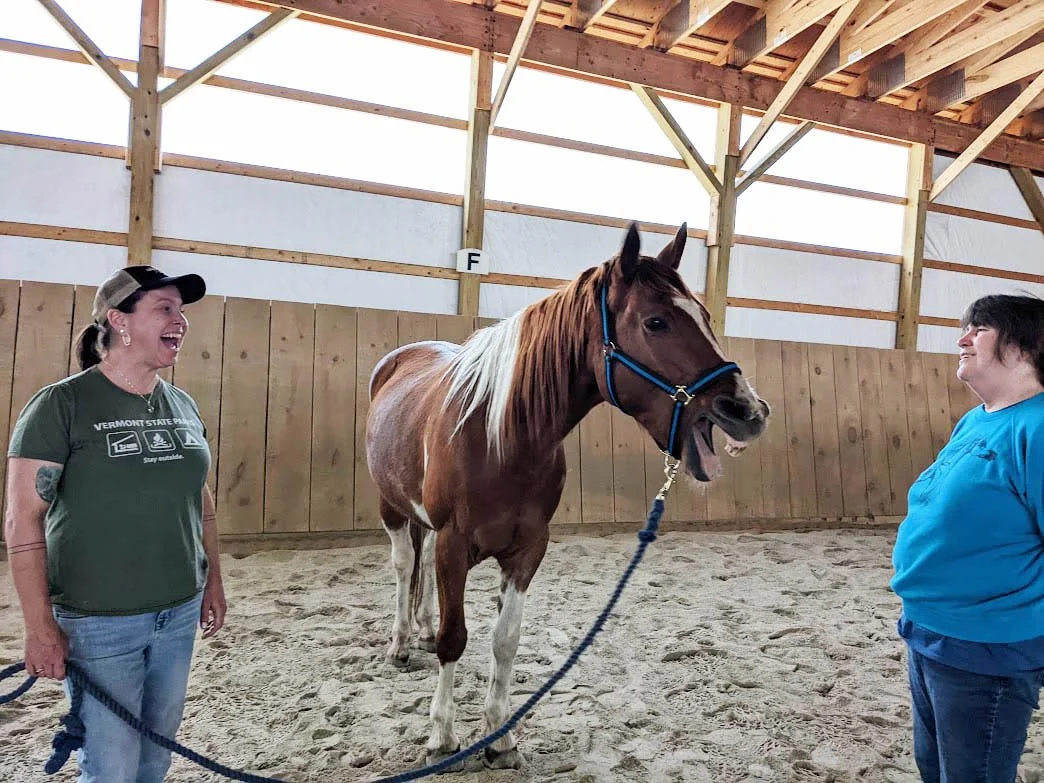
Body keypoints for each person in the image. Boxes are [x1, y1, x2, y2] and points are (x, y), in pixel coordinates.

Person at [4, 265, 227, 783]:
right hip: (98, 620)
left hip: (178, 611)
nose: (181, 321)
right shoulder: (60, 406)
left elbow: (202, 503)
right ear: (119, 321)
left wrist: (213, 578)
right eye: (164, 309)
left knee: (156, 753)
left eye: (182, 310)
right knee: (111, 763)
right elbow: (22, 521)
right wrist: (39, 627)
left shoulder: (183, 406)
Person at [891, 293, 1044, 783]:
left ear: (1026, 346)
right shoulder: (979, 418)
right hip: (931, 633)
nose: (962, 338)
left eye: (979, 328)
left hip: (988, 648)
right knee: (935, 769)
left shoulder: (1038, 428)